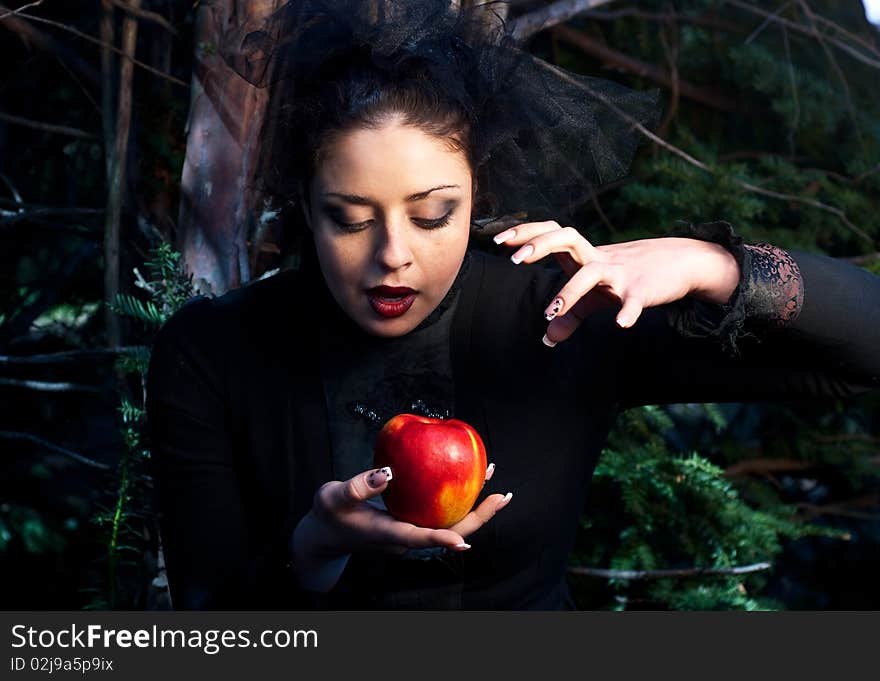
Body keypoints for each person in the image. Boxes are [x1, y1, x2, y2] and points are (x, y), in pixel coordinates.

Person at [145, 0, 880, 610]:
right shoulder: (213, 351)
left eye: (433, 214)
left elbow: (863, 350)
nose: (392, 254)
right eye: (351, 217)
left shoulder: (559, 313)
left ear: (478, 195)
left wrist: (711, 263)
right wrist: (315, 546)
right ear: (305, 204)